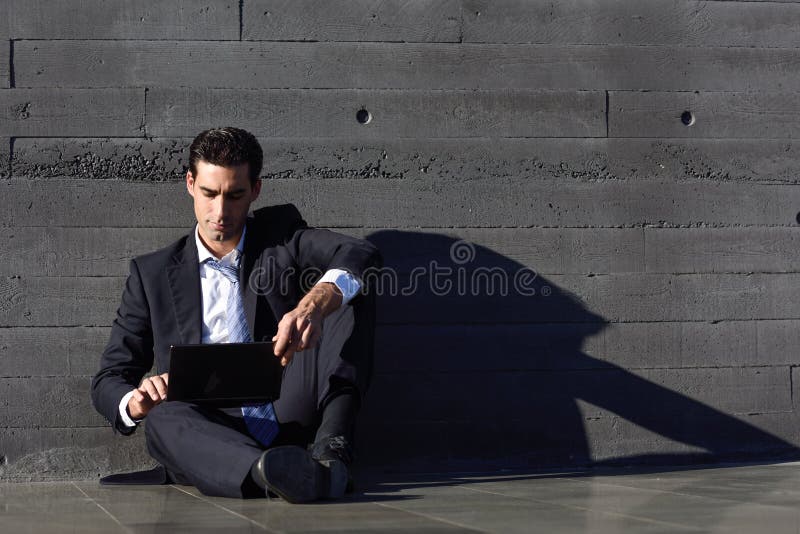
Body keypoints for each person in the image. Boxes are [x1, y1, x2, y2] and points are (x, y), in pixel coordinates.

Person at [91, 127, 381, 502]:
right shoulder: (151, 274)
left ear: (255, 190)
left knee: (347, 290)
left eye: (235, 195)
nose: (221, 212)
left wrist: (315, 303)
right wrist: (134, 401)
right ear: (190, 183)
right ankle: (273, 473)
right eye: (210, 194)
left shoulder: (281, 237)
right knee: (163, 417)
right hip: (205, 429)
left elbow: (360, 253)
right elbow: (110, 377)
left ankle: (331, 455)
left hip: (288, 401)